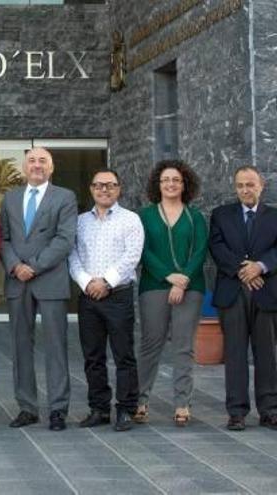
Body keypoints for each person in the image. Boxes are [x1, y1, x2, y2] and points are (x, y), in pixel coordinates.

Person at [0, 146, 77, 431]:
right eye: (31, 160)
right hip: (17, 281)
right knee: (21, 347)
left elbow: (65, 239)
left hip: (50, 280)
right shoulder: (10, 198)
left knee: (56, 346)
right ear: (24, 167)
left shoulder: (65, 197)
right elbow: (3, 238)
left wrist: (34, 265)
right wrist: (15, 265)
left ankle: (58, 409)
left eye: (43, 160)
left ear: (51, 167)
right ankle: (27, 407)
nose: (37, 165)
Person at [68, 169, 143, 432]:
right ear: (91, 189)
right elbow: (72, 256)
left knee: (124, 355)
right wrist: (87, 282)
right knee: (93, 356)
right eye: (99, 185)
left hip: (118, 295)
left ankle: (126, 408)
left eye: (110, 185)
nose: (104, 190)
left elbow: (132, 256)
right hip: (88, 296)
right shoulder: (79, 222)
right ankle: (99, 408)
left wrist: (106, 282)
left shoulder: (131, 220)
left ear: (119, 189)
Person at [134, 160, 207, 427]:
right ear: (158, 184)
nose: (171, 184)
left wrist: (183, 280)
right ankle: (140, 401)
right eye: (166, 180)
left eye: (176, 179)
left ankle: (182, 403)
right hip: (154, 285)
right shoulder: (145, 216)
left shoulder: (195, 217)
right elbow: (143, 251)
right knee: (150, 344)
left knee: (183, 346)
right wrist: (167, 276)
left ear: (184, 184)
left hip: (190, 287)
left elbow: (200, 251)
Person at [209, 165, 277, 431]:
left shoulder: (274, 216)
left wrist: (260, 266)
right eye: (240, 185)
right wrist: (244, 270)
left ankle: (270, 410)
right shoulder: (221, 215)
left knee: (267, 354)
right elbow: (216, 247)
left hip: (267, 292)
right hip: (233, 292)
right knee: (235, 354)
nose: (245, 190)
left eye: (250, 184)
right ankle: (236, 412)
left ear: (261, 185)